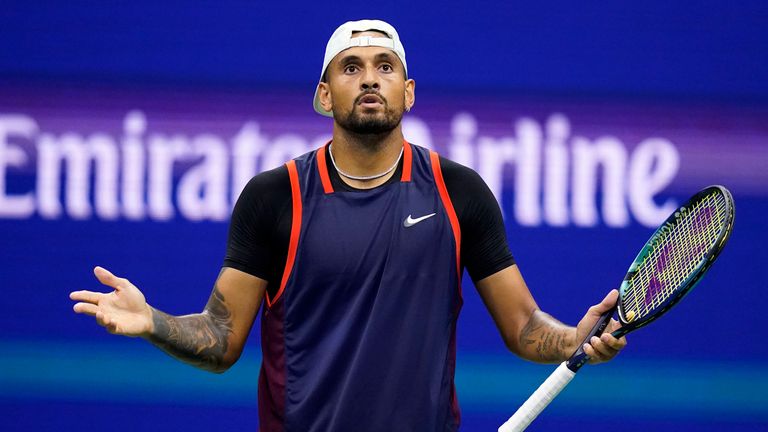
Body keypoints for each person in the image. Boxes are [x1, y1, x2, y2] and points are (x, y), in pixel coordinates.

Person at [70, 19, 627, 432]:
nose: (369, 79)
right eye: (351, 67)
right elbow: (220, 339)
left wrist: (575, 338)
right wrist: (153, 322)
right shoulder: (274, 199)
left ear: (406, 92)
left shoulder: (459, 193)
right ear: (323, 94)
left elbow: (523, 326)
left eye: (386, 67)